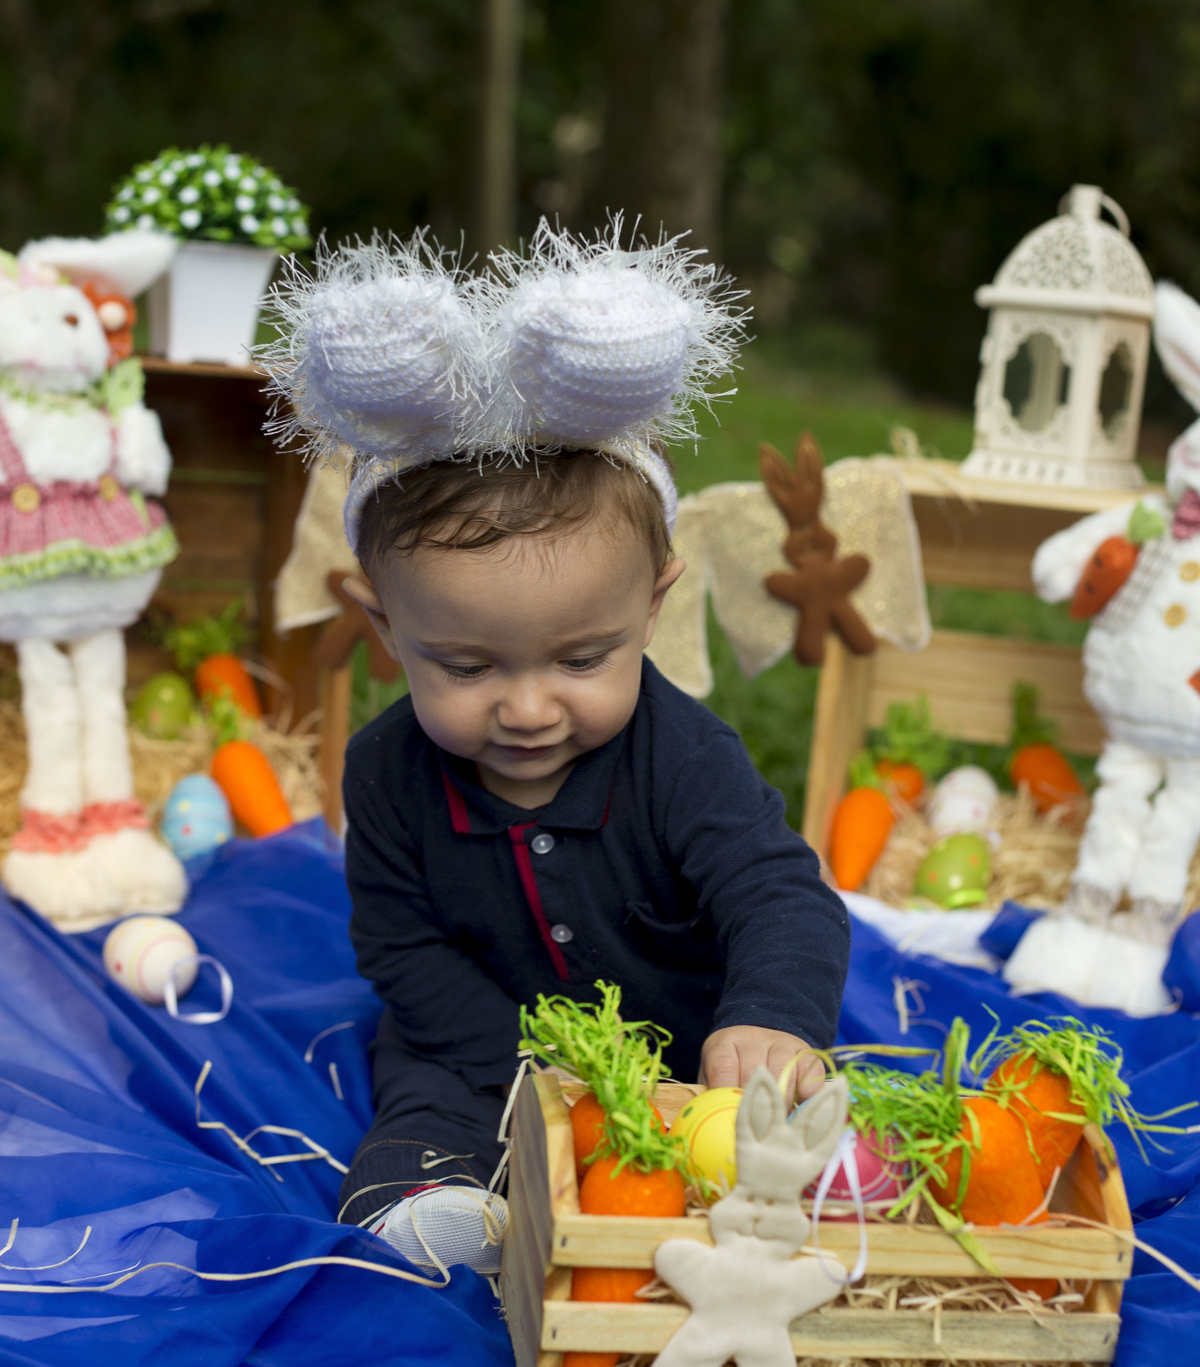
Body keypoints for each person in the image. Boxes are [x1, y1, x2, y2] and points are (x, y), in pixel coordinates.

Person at [263, 221, 851, 1276]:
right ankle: (438, 1210)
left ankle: (756, 1202)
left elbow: (779, 894)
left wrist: (768, 1017)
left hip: (684, 1045)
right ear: (389, 632)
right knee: (423, 1092)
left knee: (774, 1113)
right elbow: (404, 952)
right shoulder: (388, 772)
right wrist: (534, 1074)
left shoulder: (683, 754)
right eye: (470, 667)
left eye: (582, 659)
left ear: (652, 613)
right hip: (489, 1046)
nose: (529, 708)